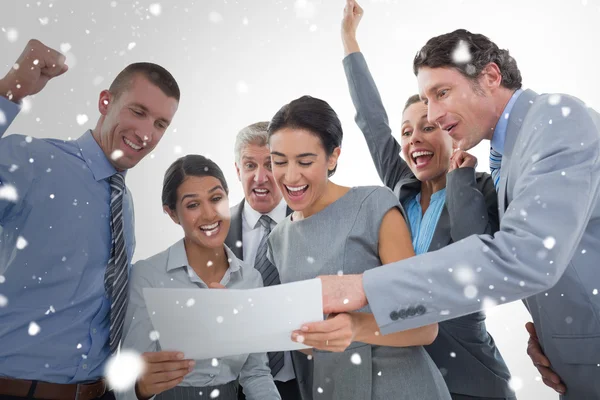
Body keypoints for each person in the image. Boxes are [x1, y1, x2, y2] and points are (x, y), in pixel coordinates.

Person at [310, 2, 600, 399]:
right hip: (419, 373)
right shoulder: (413, 185)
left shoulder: (551, 121)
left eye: (440, 94)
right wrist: (554, 340)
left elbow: (523, 257)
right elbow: (373, 123)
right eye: (423, 105)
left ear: (491, 76)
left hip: (472, 375)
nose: (433, 114)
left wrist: (365, 288)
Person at [340, 3, 514, 399]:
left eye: (429, 126)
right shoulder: (400, 188)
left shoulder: (481, 186)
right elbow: (371, 121)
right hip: (409, 375)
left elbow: (476, 253)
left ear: (452, 129)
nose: (413, 138)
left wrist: (459, 176)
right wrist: (349, 40)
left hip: (471, 378)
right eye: (407, 132)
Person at [0, 39, 180, 400]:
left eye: (160, 123)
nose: (146, 134)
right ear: (105, 102)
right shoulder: (38, 162)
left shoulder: (122, 202)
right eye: (138, 112)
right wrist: (11, 89)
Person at [267, 95, 451, 400]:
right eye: (279, 160)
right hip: (334, 388)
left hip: (401, 387)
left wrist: (355, 327)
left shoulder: (373, 205)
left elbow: (425, 324)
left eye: (305, 161)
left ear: (333, 157)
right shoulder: (277, 239)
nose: (290, 176)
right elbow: (304, 339)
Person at [120, 155, 280, 400]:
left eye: (216, 198)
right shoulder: (148, 276)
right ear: (172, 214)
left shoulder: (251, 279)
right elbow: (127, 386)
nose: (209, 215)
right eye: (192, 205)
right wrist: (141, 388)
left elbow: (256, 373)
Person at [224, 122, 301, 400]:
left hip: (305, 382)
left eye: (270, 164)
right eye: (249, 166)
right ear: (237, 171)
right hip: (236, 386)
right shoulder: (214, 231)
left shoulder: (314, 221)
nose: (260, 177)